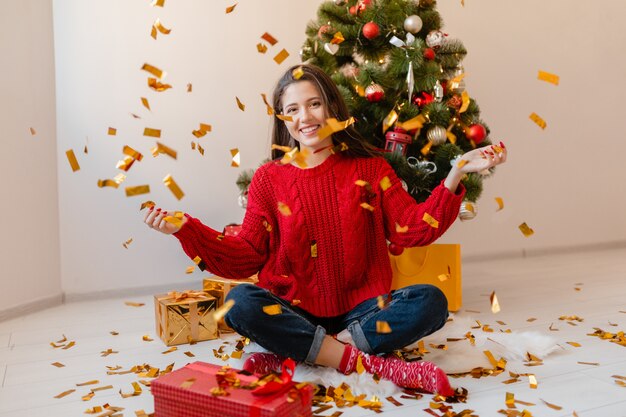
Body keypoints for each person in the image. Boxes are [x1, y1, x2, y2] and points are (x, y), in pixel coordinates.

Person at [144, 64, 507, 396]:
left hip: (362, 313)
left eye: (314, 104)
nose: (305, 117)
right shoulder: (268, 179)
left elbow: (408, 230)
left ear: (332, 107)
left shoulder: (371, 169)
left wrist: (455, 173)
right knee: (240, 302)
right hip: (293, 308)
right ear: (283, 119)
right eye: (293, 110)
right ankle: (367, 362)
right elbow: (246, 257)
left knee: (431, 302)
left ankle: (304, 350)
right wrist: (187, 230)